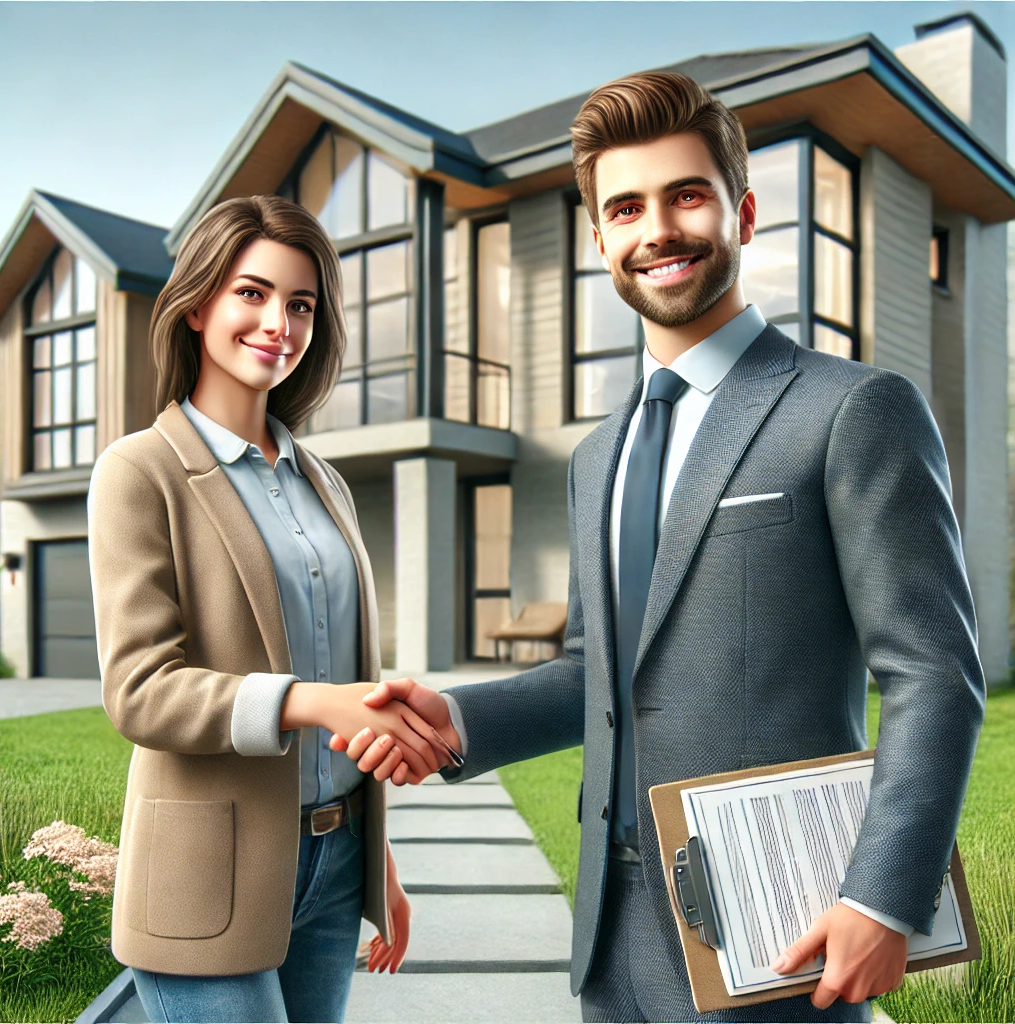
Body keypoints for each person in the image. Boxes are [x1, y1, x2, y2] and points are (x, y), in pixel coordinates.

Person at [333, 72, 985, 1023]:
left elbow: (932, 670)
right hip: (611, 936)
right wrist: (458, 721)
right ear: (599, 237)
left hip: (778, 929)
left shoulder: (850, 410)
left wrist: (882, 895)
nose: (657, 231)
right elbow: (596, 673)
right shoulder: (599, 455)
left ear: (743, 211)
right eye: (626, 207)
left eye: (686, 195)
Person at [87, 194, 455, 1023]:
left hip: (336, 860)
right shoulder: (138, 471)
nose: (278, 323)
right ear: (197, 306)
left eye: (300, 304)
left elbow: (348, 677)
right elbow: (141, 690)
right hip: (204, 876)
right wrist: (308, 702)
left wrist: (379, 867)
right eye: (251, 293)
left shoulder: (323, 482)